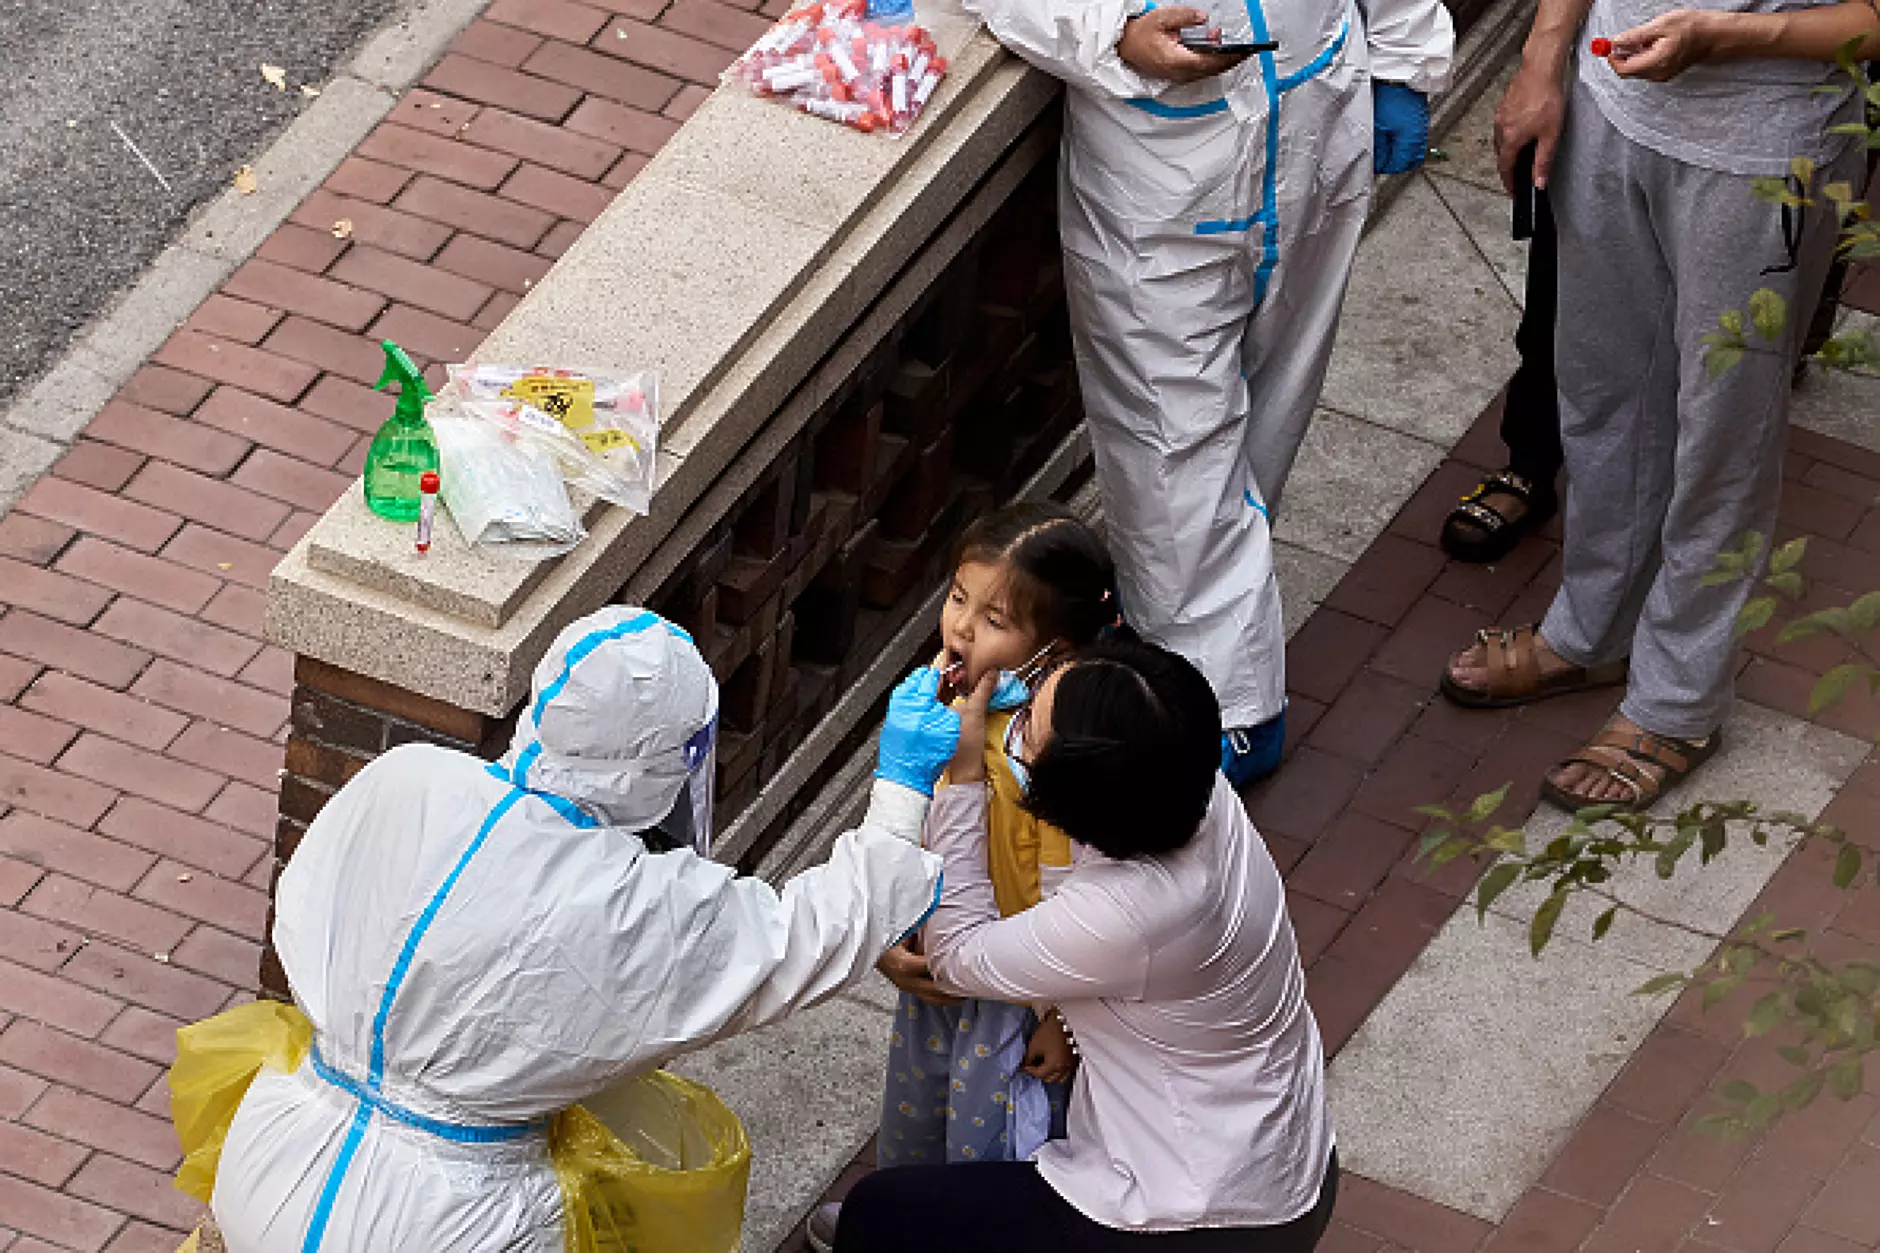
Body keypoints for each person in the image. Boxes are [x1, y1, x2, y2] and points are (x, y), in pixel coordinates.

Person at [196, 607, 972, 1251]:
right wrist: (901, 789)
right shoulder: (628, 899)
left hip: (272, 1151)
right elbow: (811, 936)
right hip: (449, 1221)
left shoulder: (411, 780)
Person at [964, 0, 1454, 786]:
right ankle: (1225, 710)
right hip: (1162, 170)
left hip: (1317, 119)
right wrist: (1111, 37)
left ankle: (1184, 630)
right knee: (1171, 444)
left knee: (1274, 408)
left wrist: (1402, 55)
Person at [1442, 0, 1880, 810]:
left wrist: (1729, 35)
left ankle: (1679, 700)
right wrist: (1543, 57)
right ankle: (1591, 630)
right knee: (1601, 394)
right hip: (1610, 108)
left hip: (1764, 144)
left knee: (1724, 436)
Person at [831, 640, 1338, 1251]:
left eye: (1025, 731)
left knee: (880, 1216)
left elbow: (957, 954)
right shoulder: (1184, 780)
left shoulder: (1132, 912)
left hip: (1193, 1212)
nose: (1009, 719)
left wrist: (961, 776)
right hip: (1285, 1155)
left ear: (1072, 802)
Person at [871, 505, 1119, 1172]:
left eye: (994, 620)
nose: (959, 626)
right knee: (919, 1104)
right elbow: (913, 829)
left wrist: (1066, 1016)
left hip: (1019, 990)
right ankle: (906, 1217)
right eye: (958, 597)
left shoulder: (1052, 749)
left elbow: (1089, 904)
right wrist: (895, 928)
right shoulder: (946, 706)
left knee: (991, 1140)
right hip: (943, 970)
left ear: (1056, 649)